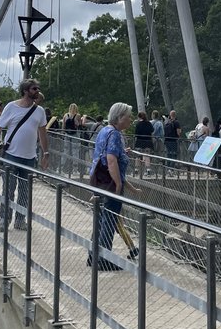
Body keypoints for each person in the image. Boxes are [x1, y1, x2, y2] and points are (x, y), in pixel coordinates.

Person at [0, 79, 48, 231]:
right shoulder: (11, 107)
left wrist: (45, 153)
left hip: (29, 157)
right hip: (11, 155)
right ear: (25, 91)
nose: (37, 91)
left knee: (24, 191)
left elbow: (42, 133)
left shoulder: (40, 111)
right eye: (34, 88)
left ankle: (20, 220)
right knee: (8, 189)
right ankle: (4, 219)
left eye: (38, 88)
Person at [88, 102, 133, 270]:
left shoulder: (105, 130)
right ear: (120, 118)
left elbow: (108, 153)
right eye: (128, 117)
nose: (130, 120)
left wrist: (123, 152)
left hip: (99, 180)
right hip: (109, 183)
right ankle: (103, 258)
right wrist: (118, 183)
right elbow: (111, 160)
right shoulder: (114, 134)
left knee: (100, 219)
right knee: (109, 220)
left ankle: (93, 255)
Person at [133, 110, 154, 176]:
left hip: (139, 141)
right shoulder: (149, 123)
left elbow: (136, 133)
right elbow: (152, 130)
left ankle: (136, 170)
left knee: (138, 156)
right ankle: (148, 170)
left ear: (139, 117)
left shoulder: (138, 124)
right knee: (147, 155)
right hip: (148, 141)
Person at [63, 103, 80, 173]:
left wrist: (62, 133)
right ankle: (75, 169)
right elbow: (79, 125)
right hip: (74, 134)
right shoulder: (78, 115)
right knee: (75, 151)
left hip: (67, 134)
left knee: (66, 151)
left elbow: (63, 126)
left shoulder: (65, 115)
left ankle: (62, 167)